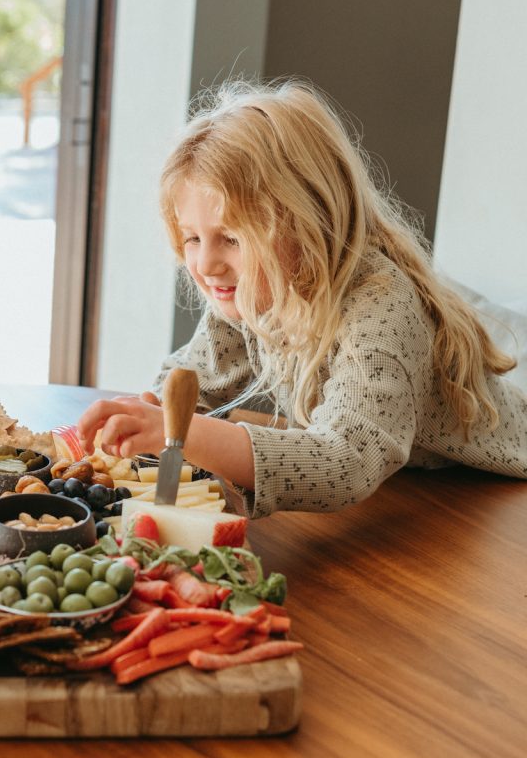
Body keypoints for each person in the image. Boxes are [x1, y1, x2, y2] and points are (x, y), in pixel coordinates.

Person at [76, 79, 527, 516]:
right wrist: (155, 415)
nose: (206, 264)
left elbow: (346, 461)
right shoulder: (252, 287)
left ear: (306, 222)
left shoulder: (383, 305)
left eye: (232, 238)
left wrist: (182, 434)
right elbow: (201, 383)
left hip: (495, 493)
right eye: (193, 237)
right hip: (413, 477)